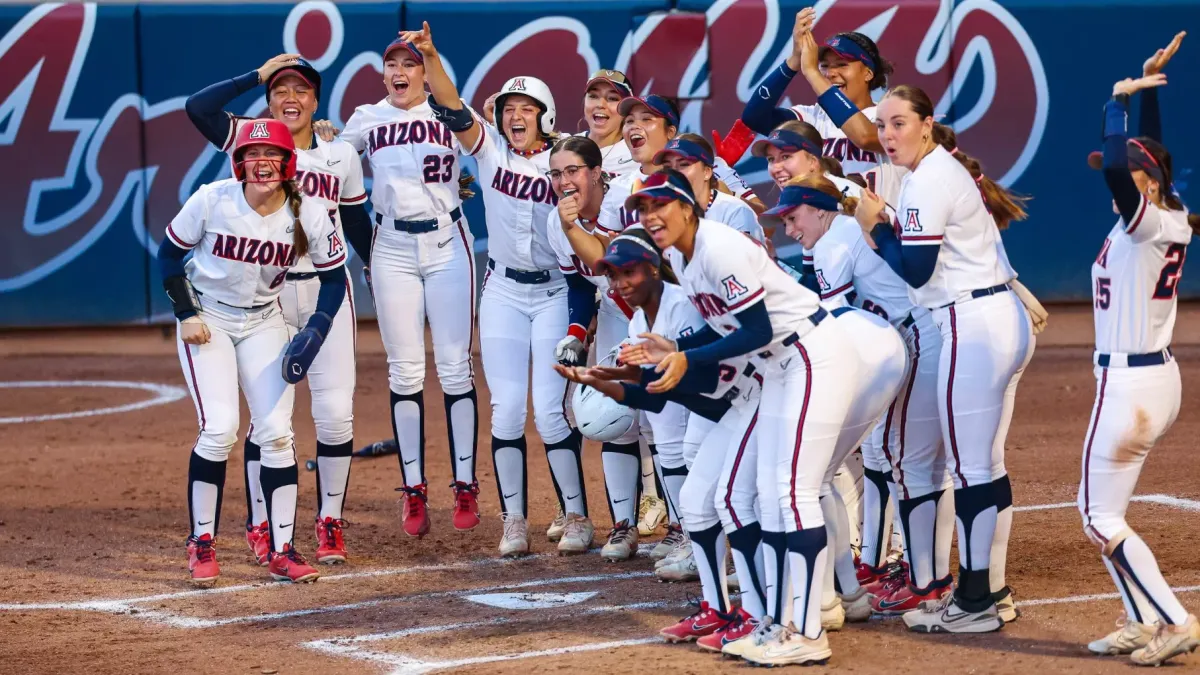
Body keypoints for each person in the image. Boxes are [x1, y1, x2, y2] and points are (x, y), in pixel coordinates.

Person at [620, 169, 862, 666]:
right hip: (777, 367)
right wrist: (675, 347)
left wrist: (689, 358)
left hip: (810, 354)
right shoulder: (679, 258)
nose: (650, 217)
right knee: (759, 496)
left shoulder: (718, 248)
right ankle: (774, 621)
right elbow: (728, 330)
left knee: (792, 494)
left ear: (688, 208)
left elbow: (756, 328)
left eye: (660, 205)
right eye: (643, 210)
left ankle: (809, 631)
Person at [854, 84, 1037, 632]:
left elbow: (915, 271)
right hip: (993, 317)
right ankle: (991, 591)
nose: (888, 134)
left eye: (899, 123)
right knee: (986, 464)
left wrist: (875, 227)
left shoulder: (929, 179)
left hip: (972, 323)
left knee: (972, 467)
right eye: (882, 125)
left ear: (927, 124)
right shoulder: (934, 174)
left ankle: (976, 602)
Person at [401, 22, 582, 558]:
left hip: (554, 291)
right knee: (506, 411)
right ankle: (515, 520)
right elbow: (453, 105)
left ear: (545, 115)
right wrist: (430, 56)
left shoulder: (568, 161)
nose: (515, 116)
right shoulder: (490, 152)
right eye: (508, 108)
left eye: (525, 108)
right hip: (502, 290)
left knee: (551, 411)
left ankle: (575, 514)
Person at [184, 55, 370, 565]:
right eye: (280, 90)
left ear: (316, 100)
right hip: (266, 291)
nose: (291, 99)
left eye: (302, 92)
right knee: (267, 420)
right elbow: (198, 108)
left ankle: (329, 520)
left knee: (334, 415)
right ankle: (261, 524)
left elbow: (354, 221)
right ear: (268, 99)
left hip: (325, 290)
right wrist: (256, 74)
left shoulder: (338, 152)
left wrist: (375, 262)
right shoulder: (250, 135)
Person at [555, 227, 766, 648]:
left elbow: (671, 377)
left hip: (754, 402)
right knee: (698, 501)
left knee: (740, 500)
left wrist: (612, 377)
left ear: (653, 268)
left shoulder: (684, 306)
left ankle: (762, 612)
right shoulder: (638, 322)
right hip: (722, 407)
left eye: (627, 272)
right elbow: (649, 388)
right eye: (612, 276)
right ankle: (718, 609)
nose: (619, 284)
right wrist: (596, 378)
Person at [162, 119, 347, 586]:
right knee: (220, 429)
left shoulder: (308, 211)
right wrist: (186, 313)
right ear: (238, 162)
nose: (261, 163)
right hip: (211, 319)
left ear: (288, 164)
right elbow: (167, 255)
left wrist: (318, 328)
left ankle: (282, 550)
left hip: (266, 318)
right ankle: (201, 542)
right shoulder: (213, 198)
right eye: (252, 155)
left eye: (272, 155)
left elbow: (333, 277)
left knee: (276, 434)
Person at [766, 173, 948, 617]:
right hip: (916, 333)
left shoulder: (833, 242)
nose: (790, 230)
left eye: (793, 218)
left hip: (918, 334)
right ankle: (919, 575)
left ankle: (927, 582)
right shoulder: (841, 232)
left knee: (909, 460)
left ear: (820, 210)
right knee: (908, 460)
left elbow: (829, 323)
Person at [328, 35, 484, 539]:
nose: (400, 70)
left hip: (447, 241)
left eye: (409, 64)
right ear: (383, 74)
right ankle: (413, 489)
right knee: (405, 370)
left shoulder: (450, 112)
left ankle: (464, 482)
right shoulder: (366, 118)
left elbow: (486, 154)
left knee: (456, 365)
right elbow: (328, 164)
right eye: (391, 63)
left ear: (424, 72)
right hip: (390, 243)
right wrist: (325, 138)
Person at [1081, 33, 1200, 667]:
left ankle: (1175, 619)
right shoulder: (1171, 212)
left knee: (1099, 519)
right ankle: (1138, 616)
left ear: (1145, 184)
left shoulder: (1146, 219)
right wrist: (1150, 94)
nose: (1115, 180)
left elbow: (1133, 168)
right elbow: (1156, 161)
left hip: (1128, 389)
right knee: (1101, 511)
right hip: (1154, 380)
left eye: (1127, 174)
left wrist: (1116, 101)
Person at [742, 8, 894, 178]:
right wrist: (793, 61)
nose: (830, 73)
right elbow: (754, 117)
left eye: (842, 64)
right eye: (824, 66)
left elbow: (865, 137)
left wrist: (813, 73)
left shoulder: (889, 115)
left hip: (876, 205)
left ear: (868, 73)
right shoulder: (812, 117)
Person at [653, 134, 764, 242]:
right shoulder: (667, 217)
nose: (674, 173)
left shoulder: (734, 212)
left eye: (684, 164)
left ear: (707, 172)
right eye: (667, 167)